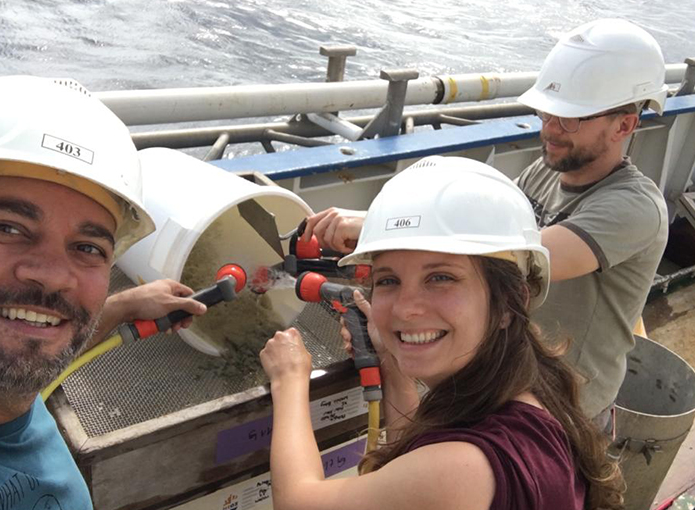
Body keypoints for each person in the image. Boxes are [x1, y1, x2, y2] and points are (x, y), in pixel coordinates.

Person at [302, 19, 669, 423]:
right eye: (547, 113)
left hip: (562, 407)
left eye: (571, 119)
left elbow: (514, 255)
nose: (550, 130)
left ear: (624, 125)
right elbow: (476, 216)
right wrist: (375, 223)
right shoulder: (545, 172)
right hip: (505, 376)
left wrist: (377, 227)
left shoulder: (635, 208)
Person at [261, 156, 623, 510]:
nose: (405, 309)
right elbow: (418, 468)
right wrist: (390, 360)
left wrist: (289, 378)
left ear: (510, 301)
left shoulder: (461, 471)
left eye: (441, 278)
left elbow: (298, 502)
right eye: (388, 280)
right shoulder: (532, 391)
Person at [0, 76, 205, 509]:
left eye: (87, 248)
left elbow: (24, 334)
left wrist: (124, 305)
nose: (55, 277)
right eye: (6, 227)